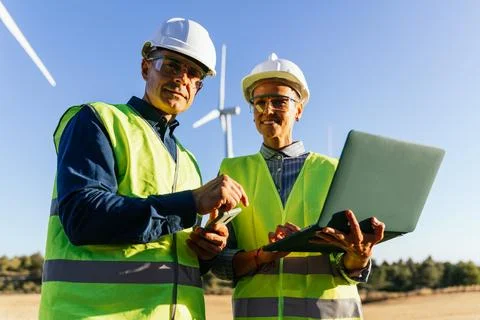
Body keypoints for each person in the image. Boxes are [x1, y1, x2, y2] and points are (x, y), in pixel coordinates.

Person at [39, 17, 248, 320]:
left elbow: (168, 248)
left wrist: (205, 251)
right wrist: (190, 203)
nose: (182, 79)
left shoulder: (188, 161)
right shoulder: (99, 120)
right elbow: (82, 216)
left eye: (194, 74)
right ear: (145, 67)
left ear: (198, 89)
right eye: (172, 65)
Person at [212, 53, 385, 320]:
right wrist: (262, 256)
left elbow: (350, 266)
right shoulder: (231, 172)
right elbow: (221, 262)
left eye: (279, 102)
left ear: (299, 109)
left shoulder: (334, 170)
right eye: (259, 103)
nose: (267, 110)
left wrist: (359, 257)